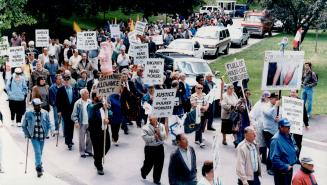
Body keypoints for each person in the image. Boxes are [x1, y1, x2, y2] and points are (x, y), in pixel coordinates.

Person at [22, 98, 51, 177]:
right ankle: (38, 169)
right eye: (37, 105)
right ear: (34, 106)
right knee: (37, 152)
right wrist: (27, 134)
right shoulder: (28, 113)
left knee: (40, 152)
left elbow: (48, 124)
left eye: (40, 105)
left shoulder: (45, 113)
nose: (39, 106)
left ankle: (38, 164)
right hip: (34, 136)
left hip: (42, 136)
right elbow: (24, 125)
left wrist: (48, 133)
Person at [87, 92, 110, 175]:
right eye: (99, 95)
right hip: (95, 132)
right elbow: (93, 109)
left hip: (104, 130)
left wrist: (108, 117)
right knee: (97, 149)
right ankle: (99, 166)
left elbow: (109, 113)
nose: (101, 97)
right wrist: (102, 104)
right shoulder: (90, 106)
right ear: (94, 98)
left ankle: (97, 158)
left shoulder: (103, 106)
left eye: (101, 95)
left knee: (107, 146)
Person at [270, 119, 298, 185]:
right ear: (281, 127)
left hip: (289, 169)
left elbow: (294, 145)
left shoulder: (289, 135)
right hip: (282, 171)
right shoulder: (276, 140)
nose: (289, 129)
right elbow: (274, 159)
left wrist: (295, 150)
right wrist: (286, 167)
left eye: (289, 127)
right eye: (287, 127)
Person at [140, 115, 166, 185]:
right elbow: (145, 139)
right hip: (150, 148)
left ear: (157, 118)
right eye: (150, 118)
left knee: (159, 164)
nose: (151, 119)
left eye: (153, 117)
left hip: (160, 147)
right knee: (148, 163)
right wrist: (154, 137)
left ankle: (156, 179)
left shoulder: (162, 126)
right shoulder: (145, 127)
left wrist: (159, 133)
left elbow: (164, 137)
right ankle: (144, 171)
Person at [56, 74, 79, 150]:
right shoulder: (60, 89)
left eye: (67, 80)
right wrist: (59, 110)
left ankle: (70, 139)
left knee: (71, 125)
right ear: (63, 81)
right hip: (64, 110)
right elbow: (57, 101)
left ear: (70, 81)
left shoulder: (73, 89)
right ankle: (68, 141)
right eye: (65, 80)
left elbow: (76, 99)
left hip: (72, 110)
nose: (66, 82)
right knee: (67, 125)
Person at [249, 91, 271, 164]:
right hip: (260, 125)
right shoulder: (258, 104)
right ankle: (260, 157)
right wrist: (254, 124)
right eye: (266, 97)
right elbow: (251, 115)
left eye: (268, 97)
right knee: (260, 142)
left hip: (268, 126)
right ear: (263, 96)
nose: (267, 98)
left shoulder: (269, 104)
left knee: (266, 142)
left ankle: (264, 157)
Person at [71, 89, 93, 158]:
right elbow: (74, 114)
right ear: (82, 95)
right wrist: (76, 122)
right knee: (81, 138)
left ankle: (89, 150)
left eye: (88, 93)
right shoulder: (78, 103)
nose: (88, 94)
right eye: (86, 93)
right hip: (81, 123)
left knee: (90, 137)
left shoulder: (90, 102)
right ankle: (82, 152)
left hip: (89, 123)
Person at [262, 92, 280, 175]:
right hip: (268, 131)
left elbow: (280, 115)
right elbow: (268, 113)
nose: (276, 100)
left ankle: (273, 166)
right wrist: (275, 106)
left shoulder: (277, 107)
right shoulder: (266, 106)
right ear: (270, 98)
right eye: (275, 99)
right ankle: (269, 167)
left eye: (277, 99)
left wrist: (279, 118)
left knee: (275, 149)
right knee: (272, 149)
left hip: (275, 131)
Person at [290, 89, 309, 159]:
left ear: (297, 93)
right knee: (287, 141)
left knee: (298, 142)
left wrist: (306, 123)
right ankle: (289, 157)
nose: (292, 93)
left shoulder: (300, 102)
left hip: (297, 125)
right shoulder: (286, 100)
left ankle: (297, 157)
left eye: (294, 92)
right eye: (291, 92)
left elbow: (304, 112)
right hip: (288, 125)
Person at [190, 83, 209, 148]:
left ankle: (196, 139)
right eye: (198, 88)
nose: (200, 89)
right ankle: (201, 141)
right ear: (195, 89)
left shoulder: (204, 95)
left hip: (203, 113)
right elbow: (193, 104)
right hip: (196, 113)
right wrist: (202, 107)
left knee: (200, 126)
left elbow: (207, 103)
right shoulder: (193, 95)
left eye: (201, 88)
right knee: (199, 126)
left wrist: (206, 107)